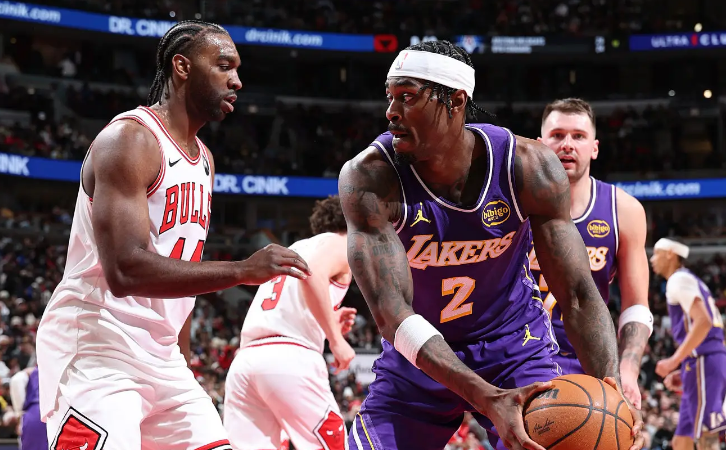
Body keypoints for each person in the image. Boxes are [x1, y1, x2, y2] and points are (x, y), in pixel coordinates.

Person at [339, 40, 643, 450]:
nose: (391, 111)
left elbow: (576, 293)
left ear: (455, 101)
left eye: (407, 97)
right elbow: (392, 314)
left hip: (513, 346)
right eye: (390, 97)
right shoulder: (370, 177)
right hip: (419, 354)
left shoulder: (528, 167)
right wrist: (486, 396)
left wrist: (611, 386)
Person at [35, 20, 311, 450]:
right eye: (224, 66)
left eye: (237, 69)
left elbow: (181, 275)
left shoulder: (205, 160)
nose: (237, 81)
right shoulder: (130, 139)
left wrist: (182, 360)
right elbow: (126, 270)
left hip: (163, 360)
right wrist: (242, 270)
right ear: (182, 67)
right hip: (98, 348)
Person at [532, 98, 652, 408]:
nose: (567, 144)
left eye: (578, 136)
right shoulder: (512, 206)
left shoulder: (623, 210)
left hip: (589, 359)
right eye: (557, 135)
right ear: (539, 144)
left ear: (594, 148)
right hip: (522, 358)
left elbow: (636, 306)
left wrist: (628, 370)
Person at [224, 195, 356, 450]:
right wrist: (336, 339)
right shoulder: (341, 242)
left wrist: (328, 321)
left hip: (246, 361)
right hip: (288, 359)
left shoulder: (296, 247)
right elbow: (313, 274)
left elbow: (288, 302)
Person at [650, 238, 726, 450]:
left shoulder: (679, 279)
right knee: (681, 440)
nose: (652, 259)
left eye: (656, 253)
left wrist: (674, 360)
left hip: (704, 360)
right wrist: (684, 368)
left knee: (706, 435)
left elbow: (703, 321)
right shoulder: (688, 280)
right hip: (700, 362)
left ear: (670, 254)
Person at [8, 367, 47, 450]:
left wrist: (19, 413)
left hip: (34, 413)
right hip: (56, 413)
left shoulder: (31, 371)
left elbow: (16, 380)